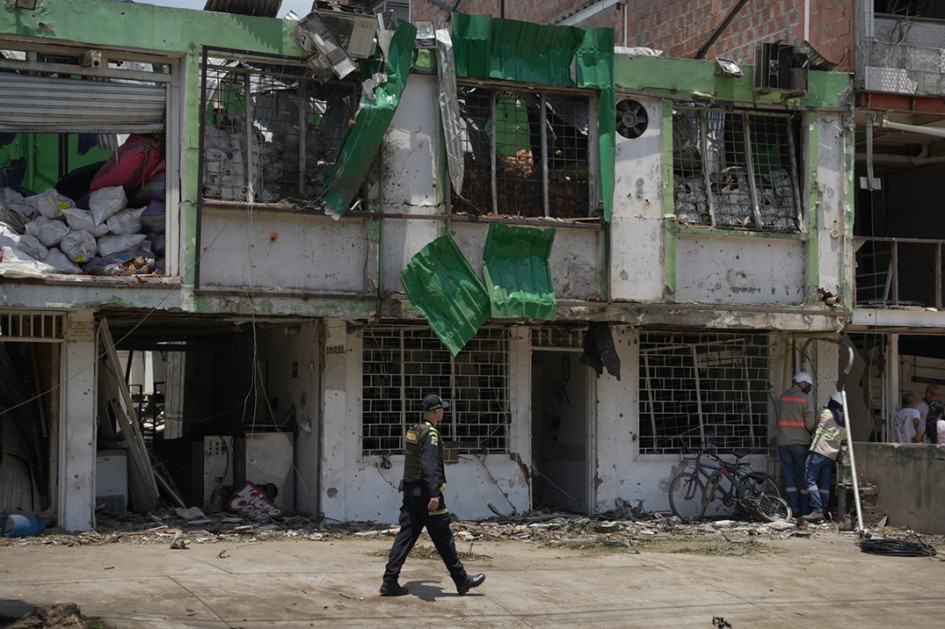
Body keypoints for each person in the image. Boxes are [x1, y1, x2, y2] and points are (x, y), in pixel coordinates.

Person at [380, 394, 485, 597]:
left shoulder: (414, 430)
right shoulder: (431, 434)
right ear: (436, 411)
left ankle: (389, 580)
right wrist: (434, 493)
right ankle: (462, 580)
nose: (444, 412)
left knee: (406, 536)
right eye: (442, 409)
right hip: (426, 493)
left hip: (411, 492)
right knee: (443, 537)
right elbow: (428, 465)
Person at [802, 391, 847, 522]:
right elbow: (844, 438)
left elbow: (813, 427)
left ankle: (816, 509)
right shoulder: (845, 420)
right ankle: (824, 509)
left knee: (810, 479)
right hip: (831, 456)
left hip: (818, 451)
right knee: (824, 483)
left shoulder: (826, 413)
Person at [777, 371, 816, 517]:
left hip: (783, 443)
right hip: (800, 443)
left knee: (789, 477)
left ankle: (793, 509)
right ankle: (804, 509)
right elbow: (810, 424)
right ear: (803, 383)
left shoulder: (782, 397)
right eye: (808, 385)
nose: (809, 388)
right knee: (805, 477)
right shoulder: (805, 399)